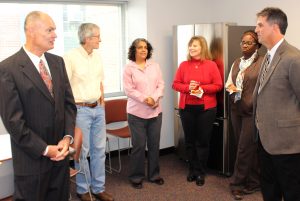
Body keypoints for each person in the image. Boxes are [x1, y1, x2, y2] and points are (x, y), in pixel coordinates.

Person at [0, 11, 77, 201]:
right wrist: (45, 149)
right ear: (31, 31)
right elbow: (13, 122)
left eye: (55, 30)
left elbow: (69, 105)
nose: (55, 35)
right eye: (50, 30)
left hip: (60, 158)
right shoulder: (8, 68)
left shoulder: (58, 63)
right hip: (31, 161)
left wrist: (67, 139)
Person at [253, 7, 300, 201]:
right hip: (264, 139)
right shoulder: (267, 56)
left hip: (288, 144)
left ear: (275, 27)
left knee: (292, 192)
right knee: (269, 189)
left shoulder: (293, 58)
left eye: (260, 25)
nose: (256, 30)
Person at [63, 23, 113, 201]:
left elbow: (100, 81)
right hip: (80, 110)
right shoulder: (70, 57)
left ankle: (99, 188)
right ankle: (83, 189)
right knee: (82, 152)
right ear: (87, 38)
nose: (100, 39)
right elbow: (64, 87)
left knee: (99, 150)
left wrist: (102, 102)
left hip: (98, 109)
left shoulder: (97, 56)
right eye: (98, 36)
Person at [172, 36, 222, 186]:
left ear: (203, 48)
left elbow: (218, 85)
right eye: (190, 46)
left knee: (202, 142)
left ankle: (201, 172)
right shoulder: (184, 65)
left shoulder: (211, 65)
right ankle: (192, 170)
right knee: (189, 141)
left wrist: (202, 88)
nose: (192, 48)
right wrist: (188, 87)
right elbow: (175, 84)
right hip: (187, 108)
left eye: (195, 45)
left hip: (206, 109)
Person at [225, 30, 263, 200]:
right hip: (236, 110)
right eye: (243, 42)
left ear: (257, 45)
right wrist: (233, 89)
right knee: (248, 148)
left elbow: (264, 87)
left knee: (243, 148)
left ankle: (237, 184)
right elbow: (229, 83)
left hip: (251, 111)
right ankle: (254, 182)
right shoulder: (236, 62)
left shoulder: (263, 62)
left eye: (249, 42)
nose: (245, 45)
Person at [123, 38, 165, 189]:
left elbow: (161, 84)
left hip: (155, 112)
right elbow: (129, 90)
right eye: (140, 47)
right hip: (136, 114)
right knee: (139, 146)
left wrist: (153, 98)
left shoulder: (155, 66)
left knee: (154, 145)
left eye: (146, 48)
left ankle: (154, 175)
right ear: (133, 50)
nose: (143, 50)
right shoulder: (129, 68)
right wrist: (145, 99)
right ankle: (136, 177)